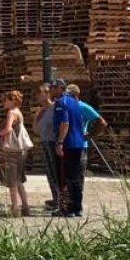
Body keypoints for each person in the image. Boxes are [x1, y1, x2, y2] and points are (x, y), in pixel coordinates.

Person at [51, 79, 86, 217]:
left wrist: (59, 142)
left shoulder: (61, 102)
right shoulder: (74, 101)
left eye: (53, 88)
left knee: (65, 176)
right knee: (75, 177)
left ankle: (67, 208)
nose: (51, 91)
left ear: (59, 88)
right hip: (78, 143)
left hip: (67, 144)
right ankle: (77, 207)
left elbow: (64, 123)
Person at [0, 91, 33, 217]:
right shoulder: (19, 112)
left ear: (13, 100)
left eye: (5, 100)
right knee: (19, 180)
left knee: (11, 182)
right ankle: (26, 207)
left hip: (12, 151)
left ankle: (14, 209)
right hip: (22, 150)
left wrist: (0, 134)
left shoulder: (11, 112)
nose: (3, 102)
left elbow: (8, 128)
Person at [66, 83, 108, 171]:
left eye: (71, 95)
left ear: (77, 95)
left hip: (80, 147)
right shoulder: (65, 107)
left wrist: (89, 135)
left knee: (78, 175)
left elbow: (102, 123)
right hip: (67, 146)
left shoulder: (83, 107)